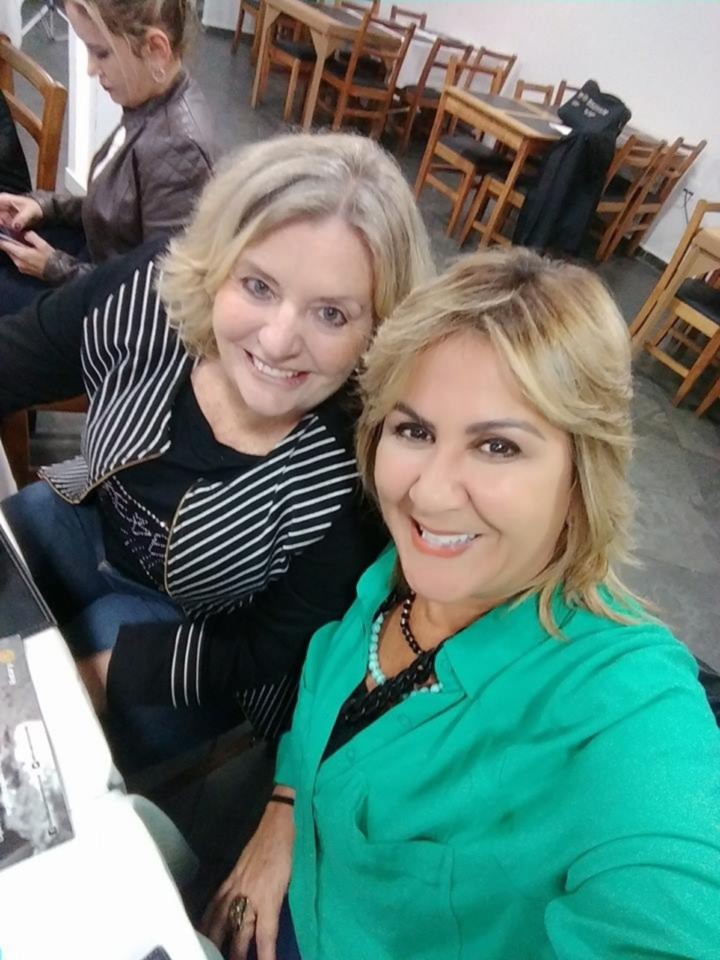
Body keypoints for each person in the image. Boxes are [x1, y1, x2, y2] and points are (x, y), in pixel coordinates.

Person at [205, 248, 720, 960]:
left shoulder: (623, 700)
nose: (430, 493)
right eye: (414, 431)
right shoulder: (396, 573)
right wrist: (285, 806)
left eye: (498, 446)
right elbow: (323, 681)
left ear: (581, 475)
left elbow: (669, 909)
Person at [0, 131, 434, 771]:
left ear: (380, 329)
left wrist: (89, 676)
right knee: (17, 536)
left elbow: (267, 643)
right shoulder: (147, 296)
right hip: (86, 514)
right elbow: (16, 355)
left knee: (54, 732)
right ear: (217, 263)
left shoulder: (357, 468)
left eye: (332, 315)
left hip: (207, 635)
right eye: (258, 285)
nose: (278, 341)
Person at [0, 0, 216, 314]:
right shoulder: (147, 106)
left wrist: (55, 268)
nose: (90, 68)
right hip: (99, 261)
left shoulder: (179, 150)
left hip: (111, 310)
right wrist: (44, 205)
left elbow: (159, 293)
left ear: (156, 50)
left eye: (101, 53)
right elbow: (116, 209)